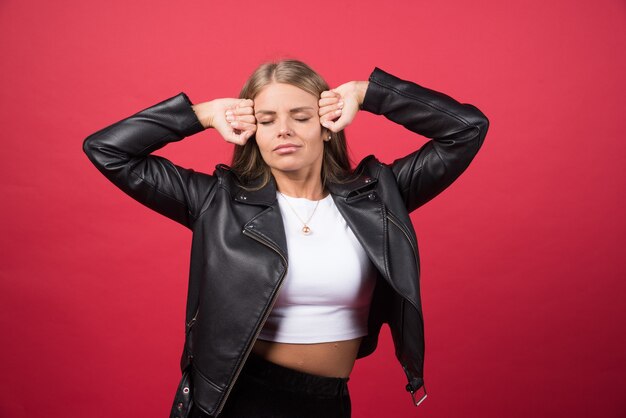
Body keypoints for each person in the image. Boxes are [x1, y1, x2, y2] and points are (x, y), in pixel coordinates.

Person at [83, 59, 488, 418]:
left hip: (329, 400)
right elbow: (107, 150)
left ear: (327, 124)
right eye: (267, 119)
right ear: (251, 130)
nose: (284, 131)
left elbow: (466, 130)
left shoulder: (380, 197)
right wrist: (200, 115)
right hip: (238, 399)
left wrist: (369, 93)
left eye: (300, 116)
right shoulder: (217, 201)